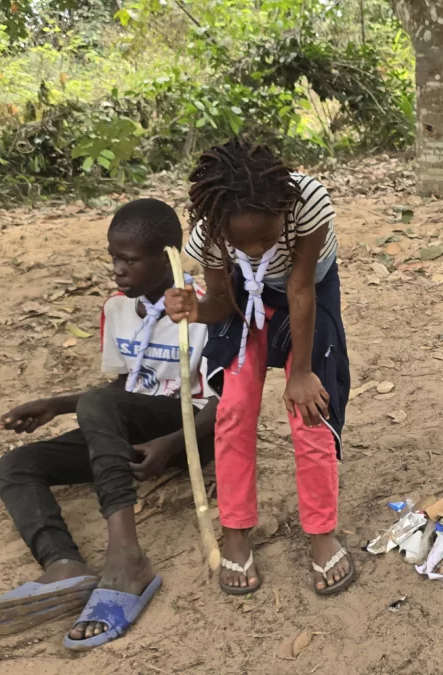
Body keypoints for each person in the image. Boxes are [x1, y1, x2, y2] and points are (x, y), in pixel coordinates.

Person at [0, 199, 217, 650]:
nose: (118, 270)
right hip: (130, 429)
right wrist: (58, 404)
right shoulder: (118, 309)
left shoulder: (205, 312)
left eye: (130, 260)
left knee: (102, 403)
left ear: (167, 256)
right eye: (113, 258)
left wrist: (170, 444)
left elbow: (225, 405)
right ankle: (63, 564)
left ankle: (126, 556)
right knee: (16, 466)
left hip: (191, 432)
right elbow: (123, 389)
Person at [165, 139, 353, 597]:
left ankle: (322, 533)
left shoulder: (307, 203)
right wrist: (192, 308)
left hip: (306, 294)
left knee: (310, 413)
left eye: (265, 238)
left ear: (283, 210)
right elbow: (220, 305)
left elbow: (301, 289)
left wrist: (301, 373)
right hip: (241, 298)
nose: (251, 249)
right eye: (239, 242)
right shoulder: (210, 232)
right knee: (232, 412)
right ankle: (235, 527)